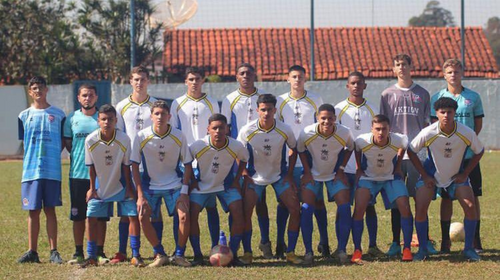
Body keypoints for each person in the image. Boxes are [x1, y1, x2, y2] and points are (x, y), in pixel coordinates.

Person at [408, 97, 483, 261]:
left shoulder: (465, 132)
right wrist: (425, 174)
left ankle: (469, 249)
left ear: (455, 113)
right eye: (443, 112)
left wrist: (465, 173)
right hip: (431, 177)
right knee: (420, 206)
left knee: (470, 206)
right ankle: (422, 250)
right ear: (437, 114)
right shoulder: (429, 132)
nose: (446, 115)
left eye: (450, 112)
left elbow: (479, 151)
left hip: (456, 176)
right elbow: (411, 150)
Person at [379, 54, 435, 256]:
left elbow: (428, 126)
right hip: (394, 156)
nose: (401, 67)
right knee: (398, 200)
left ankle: (425, 241)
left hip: (417, 155)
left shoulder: (423, 94)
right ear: (393, 69)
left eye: (404, 64)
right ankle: (396, 243)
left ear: (412, 66)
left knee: (421, 200)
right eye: (397, 65)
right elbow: (383, 127)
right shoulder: (387, 94)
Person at [238, 94, 303, 265]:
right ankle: (247, 252)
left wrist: (288, 173)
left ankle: (290, 252)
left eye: (269, 109)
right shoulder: (247, 130)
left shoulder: (284, 129)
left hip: (278, 176)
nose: (266, 113)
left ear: (275, 110)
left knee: (295, 209)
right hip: (255, 177)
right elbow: (238, 152)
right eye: (263, 109)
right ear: (257, 110)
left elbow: (293, 149)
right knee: (247, 212)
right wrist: (244, 172)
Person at [430, 59, 485, 253]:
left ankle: (475, 240)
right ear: (444, 75)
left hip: (469, 155)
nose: (453, 75)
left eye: (456, 71)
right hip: (446, 158)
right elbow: (433, 127)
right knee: (446, 196)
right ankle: (446, 241)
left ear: (462, 73)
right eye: (450, 72)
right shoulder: (437, 97)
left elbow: (477, 125)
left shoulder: (473, 97)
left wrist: (468, 142)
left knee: (473, 196)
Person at [131, 100, 193, 267]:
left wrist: (184, 192)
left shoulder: (179, 135)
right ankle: (160, 253)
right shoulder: (141, 136)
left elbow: (187, 164)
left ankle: (179, 255)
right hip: (150, 186)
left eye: (163, 114)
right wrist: (140, 195)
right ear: (151, 116)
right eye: (156, 114)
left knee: (184, 215)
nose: (160, 117)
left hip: (174, 185)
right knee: (142, 215)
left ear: (169, 116)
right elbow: (134, 165)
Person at [276, 65, 329, 259]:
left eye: (300, 77)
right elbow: (278, 130)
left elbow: (321, 127)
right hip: (288, 160)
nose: (297, 80)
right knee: (285, 203)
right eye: (294, 76)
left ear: (305, 79)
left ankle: (324, 241)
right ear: (287, 79)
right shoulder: (280, 102)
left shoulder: (315, 99)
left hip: (311, 161)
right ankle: (281, 243)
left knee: (317, 202)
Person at [221, 63, 272, 262]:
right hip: (236, 158)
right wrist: (233, 158)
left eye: (249, 73)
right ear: (236, 77)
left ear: (255, 75)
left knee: (261, 202)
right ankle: (243, 247)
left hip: (261, 157)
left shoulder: (263, 98)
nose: (246, 76)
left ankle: (265, 243)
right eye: (242, 73)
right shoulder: (229, 100)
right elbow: (226, 129)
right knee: (239, 203)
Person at [81, 104, 143, 267]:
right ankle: (91, 255)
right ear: (98, 121)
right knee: (91, 217)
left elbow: (126, 166)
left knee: (133, 217)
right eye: (103, 119)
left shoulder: (124, 139)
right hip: (101, 187)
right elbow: (91, 167)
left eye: (110, 119)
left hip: (122, 185)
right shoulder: (90, 140)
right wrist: (92, 189)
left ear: (115, 120)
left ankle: (135, 254)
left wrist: (129, 188)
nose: (107, 122)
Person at [170, 67, 222, 251]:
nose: (194, 82)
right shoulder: (177, 103)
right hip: (185, 162)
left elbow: (217, 129)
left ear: (202, 81)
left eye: (197, 79)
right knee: (187, 207)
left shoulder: (212, 103)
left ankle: (215, 246)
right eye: (190, 79)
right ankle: (190, 250)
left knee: (211, 205)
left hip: (207, 160)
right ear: (185, 82)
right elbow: (174, 133)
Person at [351, 115, 414, 264]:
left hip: (390, 178)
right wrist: (359, 168)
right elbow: (356, 149)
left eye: (384, 129)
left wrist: (398, 166)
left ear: (389, 129)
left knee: (405, 206)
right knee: (359, 209)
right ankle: (357, 250)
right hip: (368, 178)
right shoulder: (362, 140)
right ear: (372, 129)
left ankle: (407, 249)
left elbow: (404, 147)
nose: (380, 133)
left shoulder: (399, 139)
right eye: (377, 129)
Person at [188, 113, 249, 266]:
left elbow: (244, 159)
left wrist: (236, 180)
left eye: (221, 128)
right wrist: (193, 181)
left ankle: (232, 254)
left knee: (238, 212)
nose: (218, 131)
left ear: (227, 129)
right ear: (208, 129)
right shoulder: (198, 145)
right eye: (214, 128)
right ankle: (197, 255)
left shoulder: (235, 145)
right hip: (202, 186)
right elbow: (186, 161)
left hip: (225, 185)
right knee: (192, 214)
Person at [297, 103, 354, 265]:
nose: (327, 122)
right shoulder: (307, 132)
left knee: (344, 207)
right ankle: (309, 252)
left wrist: (341, 169)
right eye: (323, 118)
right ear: (317, 118)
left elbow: (350, 147)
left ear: (335, 119)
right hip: (313, 175)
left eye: (330, 118)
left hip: (334, 175)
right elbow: (300, 150)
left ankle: (341, 250)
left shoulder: (344, 132)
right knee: (307, 209)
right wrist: (307, 172)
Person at [113, 66, 159, 263]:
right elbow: (120, 138)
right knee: (128, 211)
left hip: (153, 166)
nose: (139, 83)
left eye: (143, 79)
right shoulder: (121, 106)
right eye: (136, 80)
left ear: (148, 81)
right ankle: (124, 251)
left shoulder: (155, 106)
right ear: (130, 82)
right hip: (129, 166)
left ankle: (159, 250)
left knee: (154, 212)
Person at [18, 76, 65, 264]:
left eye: (41, 88)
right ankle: (32, 251)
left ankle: (54, 251)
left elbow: (63, 141)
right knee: (33, 211)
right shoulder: (23, 116)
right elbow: (24, 141)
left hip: (52, 170)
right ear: (30, 92)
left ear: (47, 90)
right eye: (34, 88)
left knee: (50, 210)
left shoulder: (59, 114)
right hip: (30, 171)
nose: (38, 91)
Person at [334, 71, 383, 257]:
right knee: (343, 206)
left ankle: (372, 245)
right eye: (352, 83)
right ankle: (341, 247)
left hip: (367, 168)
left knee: (368, 206)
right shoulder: (338, 110)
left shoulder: (372, 109)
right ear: (347, 86)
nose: (356, 86)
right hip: (345, 167)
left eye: (359, 83)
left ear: (365, 86)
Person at [64, 84, 108, 265]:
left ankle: (99, 251)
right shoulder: (71, 119)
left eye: (91, 95)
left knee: (100, 216)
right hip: (78, 175)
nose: (87, 98)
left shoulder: (102, 118)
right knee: (78, 215)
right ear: (78, 98)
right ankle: (78, 251)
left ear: (96, 97)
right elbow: (69, 144)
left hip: (101, 177)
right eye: (84, 95)